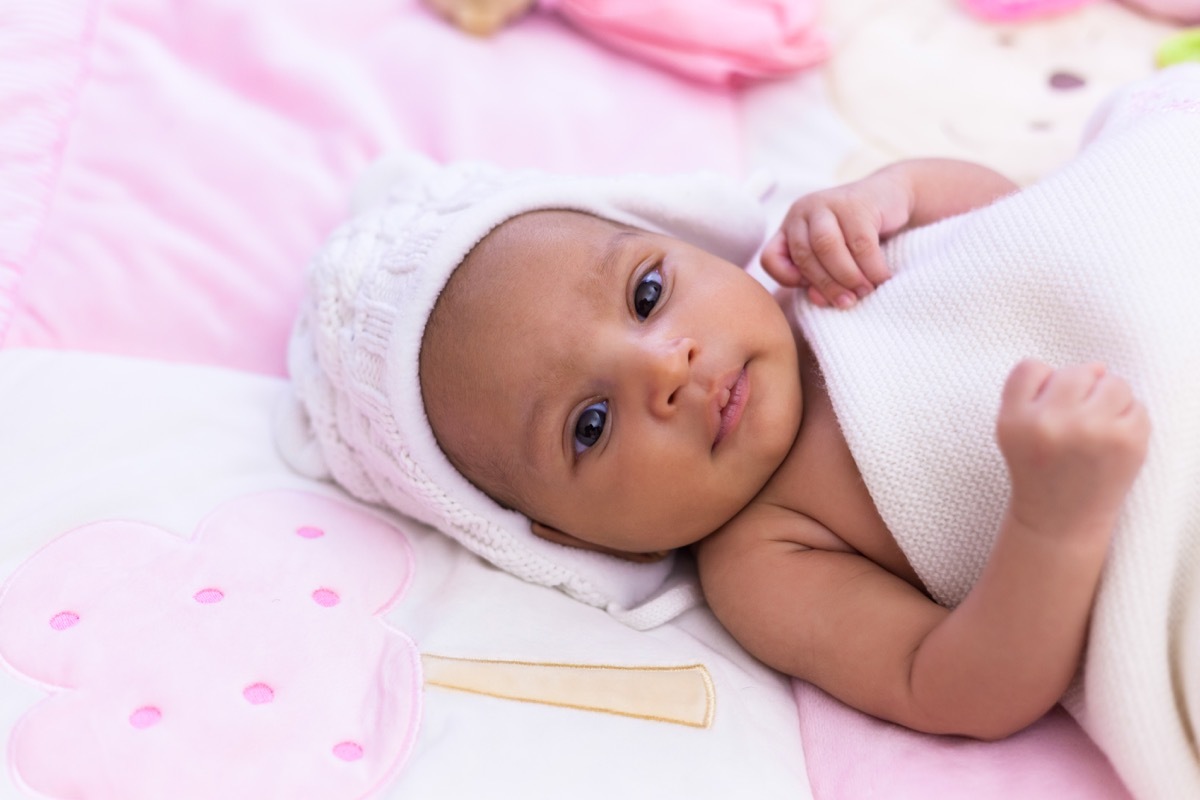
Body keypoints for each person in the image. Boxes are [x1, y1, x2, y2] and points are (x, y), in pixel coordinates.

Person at [280, 66, 1200, 799]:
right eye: (591, 425)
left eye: (647, 293)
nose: (664, 367)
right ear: (572, 539)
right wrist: (1054, 519)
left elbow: (1020, 215)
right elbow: (959, 686)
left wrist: (893, 192)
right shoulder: (767, 559)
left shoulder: (819, 264)